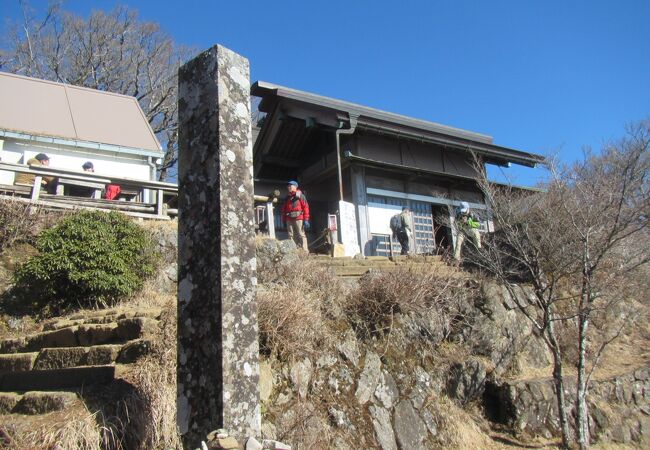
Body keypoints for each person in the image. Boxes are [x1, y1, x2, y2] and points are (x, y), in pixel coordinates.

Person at [281, 180, 310, 252]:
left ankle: (305, 252)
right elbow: (284, 210)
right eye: (288, 186)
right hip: (288, 219)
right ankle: (294, 252)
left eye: (290, 185)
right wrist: (284, 220)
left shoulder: (301, 196)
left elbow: (306, 207)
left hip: (299, 218)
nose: (289, 187)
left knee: (301, 234)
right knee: (291, 235)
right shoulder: (287, 198)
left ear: (295, 187)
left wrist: (306, 219)